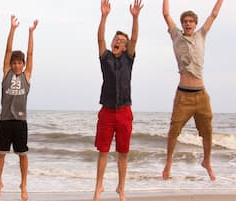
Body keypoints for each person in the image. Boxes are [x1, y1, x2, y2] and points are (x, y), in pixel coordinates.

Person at [161, 0, 223, 181]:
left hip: (201, 94)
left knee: (207, 131)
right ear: (182, 25)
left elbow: (213, 15)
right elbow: (166, 14)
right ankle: (168, 163)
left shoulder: (201, 35)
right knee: (174, 131)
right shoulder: (176, 36)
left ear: (195, 24)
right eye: (185, 21)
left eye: (191, 21)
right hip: (183, 95)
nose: (188, 24)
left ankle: (207, 162)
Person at [93, 1, 142, 201]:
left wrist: (135, 18)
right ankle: (98, 187)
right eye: (116, 38)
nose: (118, 41)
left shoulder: (128, 59)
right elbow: (99, 39)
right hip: (106, 111)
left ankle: (121, 188)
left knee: (123, 152)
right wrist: (104, 16)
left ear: (126, 45)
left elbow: (135, 38)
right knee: (103, 151)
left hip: (124, 111)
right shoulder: (105, 58)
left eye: (122, 40)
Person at [0, 15, 38, 201]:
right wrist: (12, 29)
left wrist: (30, 33)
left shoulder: (26, 76)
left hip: (20, 122)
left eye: (19, 62)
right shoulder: (6, 74)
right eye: (14, 62)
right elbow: (8, 50)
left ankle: (24, 184)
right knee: (1, 154)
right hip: (5, 121)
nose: (16, 65)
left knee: (23, 155)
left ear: (23, 64)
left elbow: (30, 53)